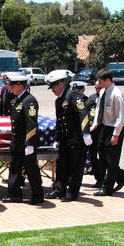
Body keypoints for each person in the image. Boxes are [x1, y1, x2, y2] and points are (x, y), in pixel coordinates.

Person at [44, 70, 93, 202]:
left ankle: (72, 193)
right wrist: (57, 139)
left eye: (53, 86)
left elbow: (83, 113)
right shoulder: (59, 101)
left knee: (76, 167)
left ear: (61, 83)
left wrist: (86, 132)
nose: (52, 90)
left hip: (77, 139)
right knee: (62, 165)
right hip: (65, 139)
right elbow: (60, 122)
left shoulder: (73, 95)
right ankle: (59, 190)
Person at [1, 75, 44, 205]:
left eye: (13, 85)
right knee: (14, 168)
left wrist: (30, 143)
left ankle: (38, 196)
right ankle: (14, 194)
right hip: (17, 142)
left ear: (20, 85)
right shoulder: (19, 100)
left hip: (26, 143)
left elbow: (32, 123)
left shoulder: (29, 100)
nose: (10, 88)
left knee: (31, 170)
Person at [91, 69, 124, 196]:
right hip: (104, 127)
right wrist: (94, 125)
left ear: (108, 80)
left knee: (112, 159)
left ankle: (107, 188)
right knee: (102, 155)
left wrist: (116, 134)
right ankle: (122, 177)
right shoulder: (103, 91)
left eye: (100, 80)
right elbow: (98, 110)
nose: (97, 83)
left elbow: (122, 117)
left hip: (114, 128)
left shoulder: (117, 94)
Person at [85, 81, 105, 187]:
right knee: (93, 156)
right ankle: (99, 178)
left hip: (104, 131)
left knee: (105, 157)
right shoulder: (91, 99)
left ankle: (120, 177)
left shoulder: (108, 98)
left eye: (100, 88)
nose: (98, 90)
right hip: (93, 132)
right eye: (96, 88)